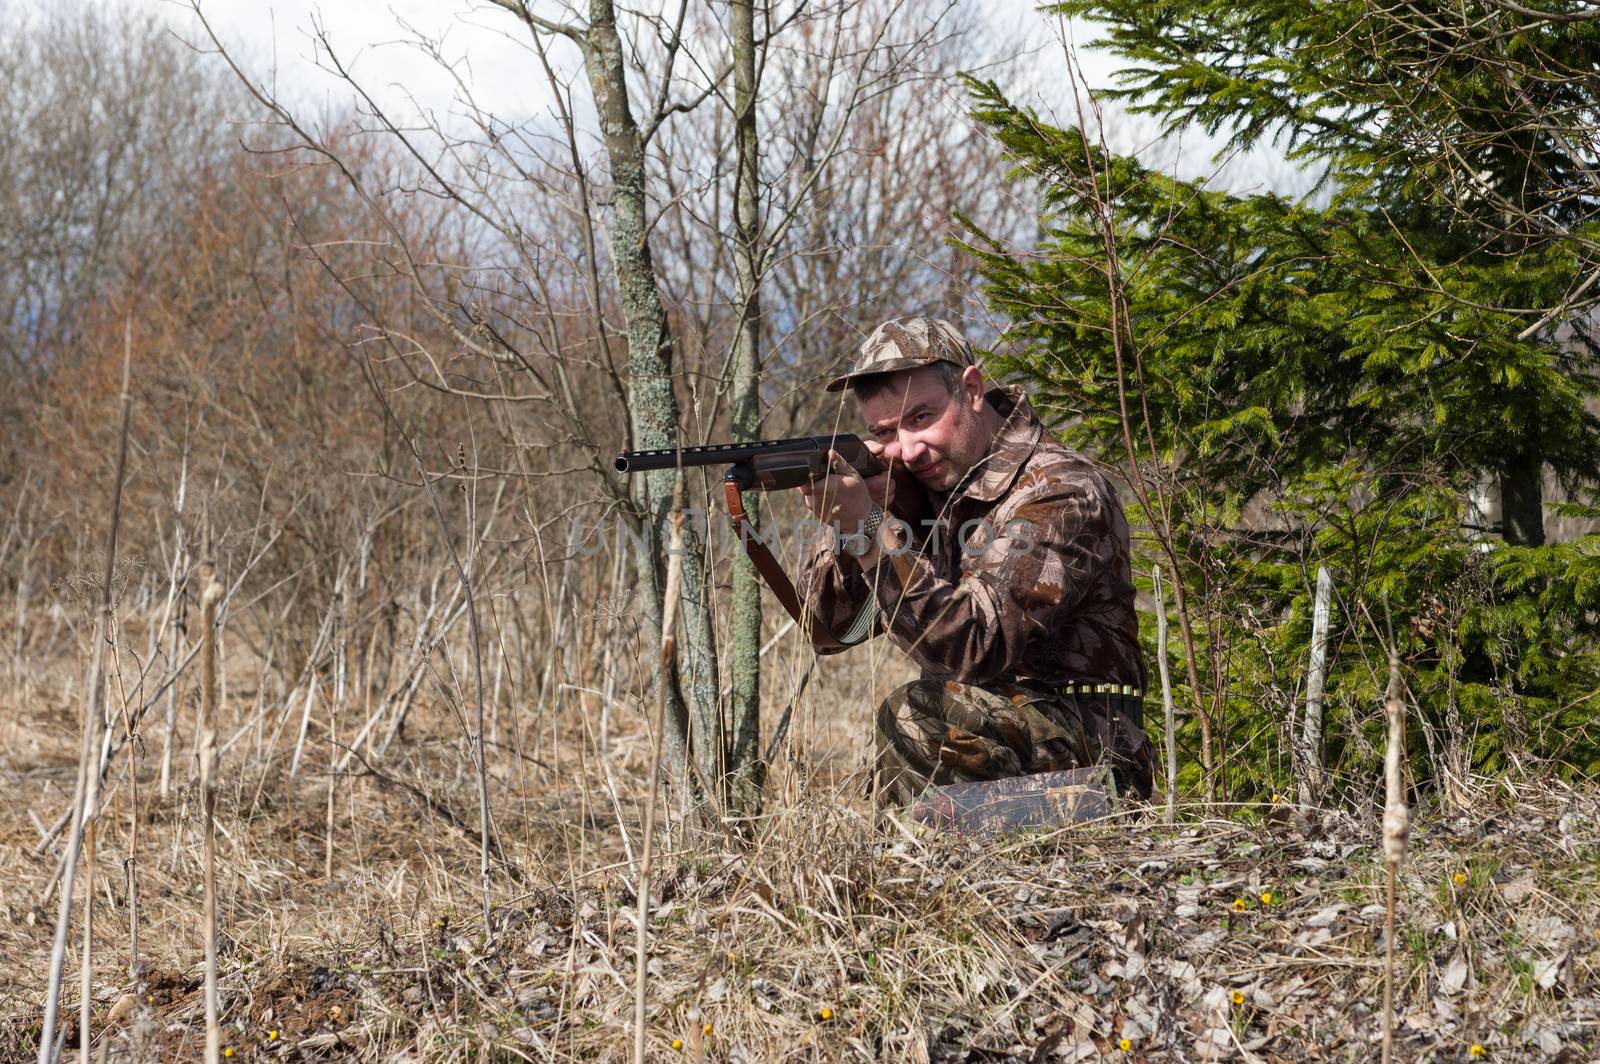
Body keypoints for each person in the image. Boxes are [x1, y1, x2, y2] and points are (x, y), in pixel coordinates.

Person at [796, 316, 1156, 805]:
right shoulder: (925, 488)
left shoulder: (1061, 490)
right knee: (922, 718)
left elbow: (973, 648)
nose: (908, 448)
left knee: (915, 715)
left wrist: (873, 537)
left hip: (1095, 763)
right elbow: (826, 630)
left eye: (921, 417)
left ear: (971, 389)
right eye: (885, 431)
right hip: (997, 739)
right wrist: (860, 522)